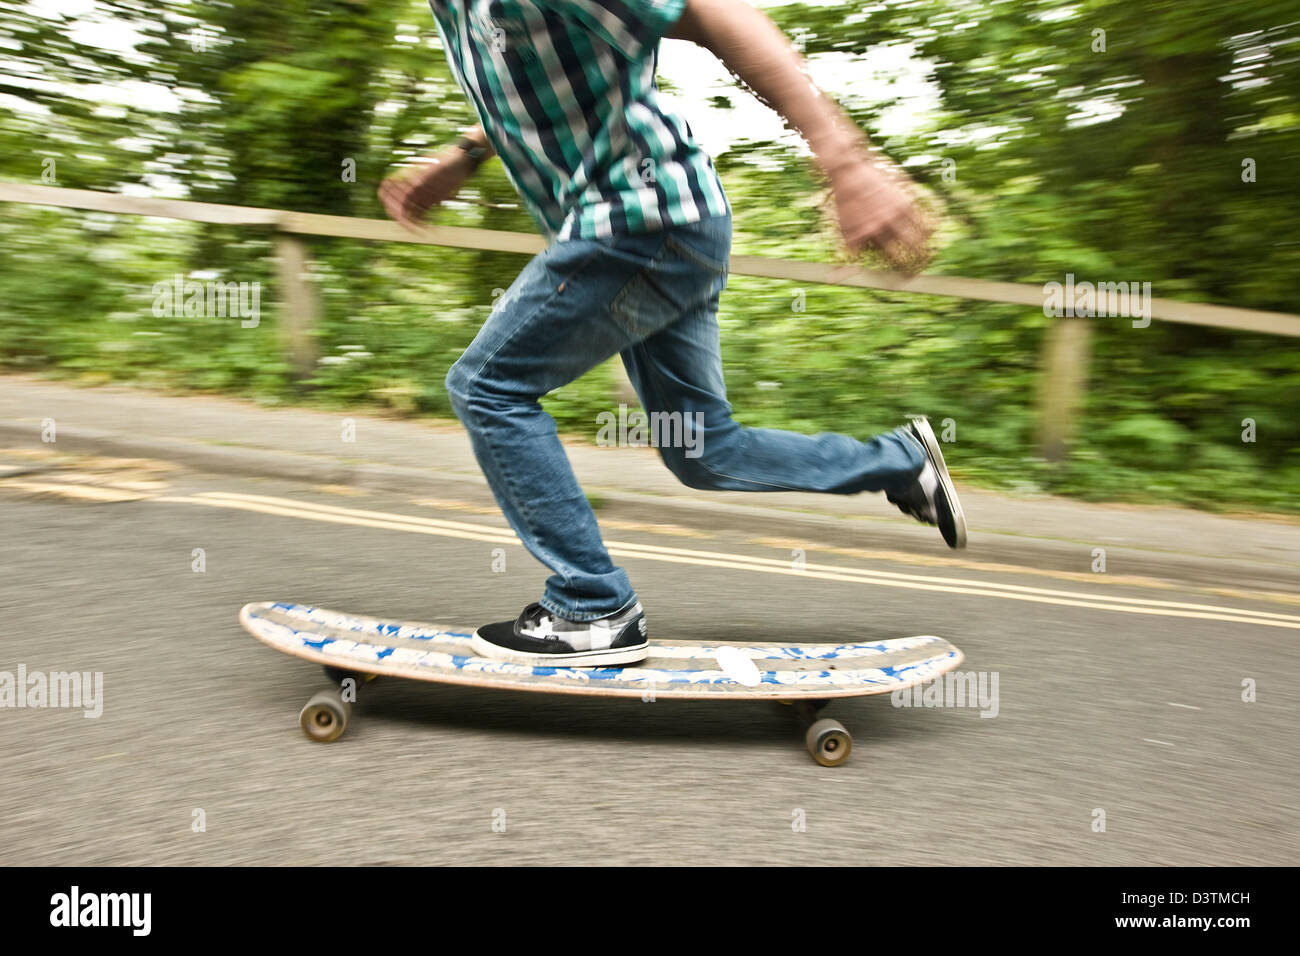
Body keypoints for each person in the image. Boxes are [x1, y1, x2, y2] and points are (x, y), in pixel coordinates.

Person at [378, 0, 966, 668]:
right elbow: (538, 70)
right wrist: (466, 152)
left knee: (489, 387)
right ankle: (901, 463)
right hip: (667, 225)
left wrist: (846, 161)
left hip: (641, 224)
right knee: (705, 453)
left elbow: (718, 15)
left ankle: (591, 607)